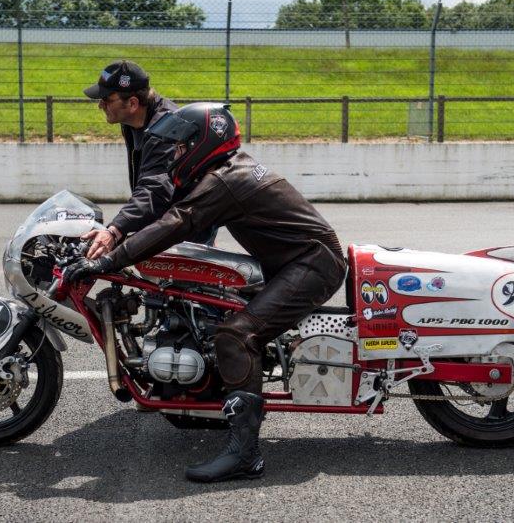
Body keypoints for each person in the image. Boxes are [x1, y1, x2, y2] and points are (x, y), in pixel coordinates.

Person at [64, 103, 347, 483]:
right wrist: (117, 235)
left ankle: (245, 456)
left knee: (235, 335)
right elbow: (170, 215)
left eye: (182, 147)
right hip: (295, 262)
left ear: (203, 143)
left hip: (312, 266)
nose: (176, 154)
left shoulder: (226, 180)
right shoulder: (229, 168)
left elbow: (176, 222)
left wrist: (107, 262)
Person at [81, 60, 214, 259]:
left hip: (188, 224)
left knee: (175, 287)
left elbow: (155, 188)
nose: (100, 105)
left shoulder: (166, 128)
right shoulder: (132, 121)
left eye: (106, 99)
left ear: (133, 103)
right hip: (170, 218)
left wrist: (115, 229)